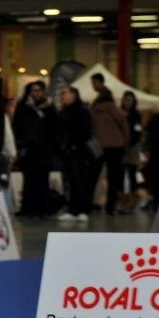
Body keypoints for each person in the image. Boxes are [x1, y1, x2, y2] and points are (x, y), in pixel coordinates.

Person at [13, 81, 58, 217]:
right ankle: (28, 208)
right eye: (33, 90)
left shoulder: (49, 109)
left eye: (38, 90)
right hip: (28, 151)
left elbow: (55, 130)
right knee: (28, 180)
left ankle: (43, 208)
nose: (36, 93)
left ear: (43, 92)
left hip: (44, 151)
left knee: (42, 180)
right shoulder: (23, 107)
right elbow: (16, 127)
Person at [91, 87, 130, 215]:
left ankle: (90, 203)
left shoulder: (94, 111)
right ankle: (110, 206)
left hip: (99, 147)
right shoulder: (116, 110)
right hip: (116, 146)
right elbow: (125, 127)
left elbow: (91, 130)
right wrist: (125, 145)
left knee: (93, 176)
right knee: (113, 178)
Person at [58, 85, 93, 222]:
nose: (62, 96)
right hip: (69, 152)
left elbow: (86, 131)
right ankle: (73, 209)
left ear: (73, 94)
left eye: (64, 93)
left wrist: (75, 145)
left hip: (80, 152)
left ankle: (83, 209)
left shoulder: (81, 111)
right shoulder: (65, 112)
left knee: (80, 180)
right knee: (72, 181)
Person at [121, 91, 142, 195]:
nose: (128, 102)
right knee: (120, 173)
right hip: (121, 146)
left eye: (130, 100)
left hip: (133, 146)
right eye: (127, 100)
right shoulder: (119, 112)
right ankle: (120, 198)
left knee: (132, 173)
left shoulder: (136, 114)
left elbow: (137, 130)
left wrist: (130, 143)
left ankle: (133, 197)